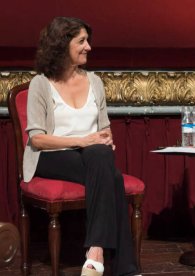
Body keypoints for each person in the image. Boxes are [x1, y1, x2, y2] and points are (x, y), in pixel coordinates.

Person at [24, 17, 140, 276]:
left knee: (110, 171)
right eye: (81, 41)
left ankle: (96, 252)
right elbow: (37, 139)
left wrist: (105, 138)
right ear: (62, 44)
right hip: (51, 156)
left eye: (88, 40)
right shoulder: (41, 84)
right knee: (110, 173)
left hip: (92, 156)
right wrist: (84, 140)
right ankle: (120, 265)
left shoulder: (94, 82)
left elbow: (104, 127)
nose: (89, 47)